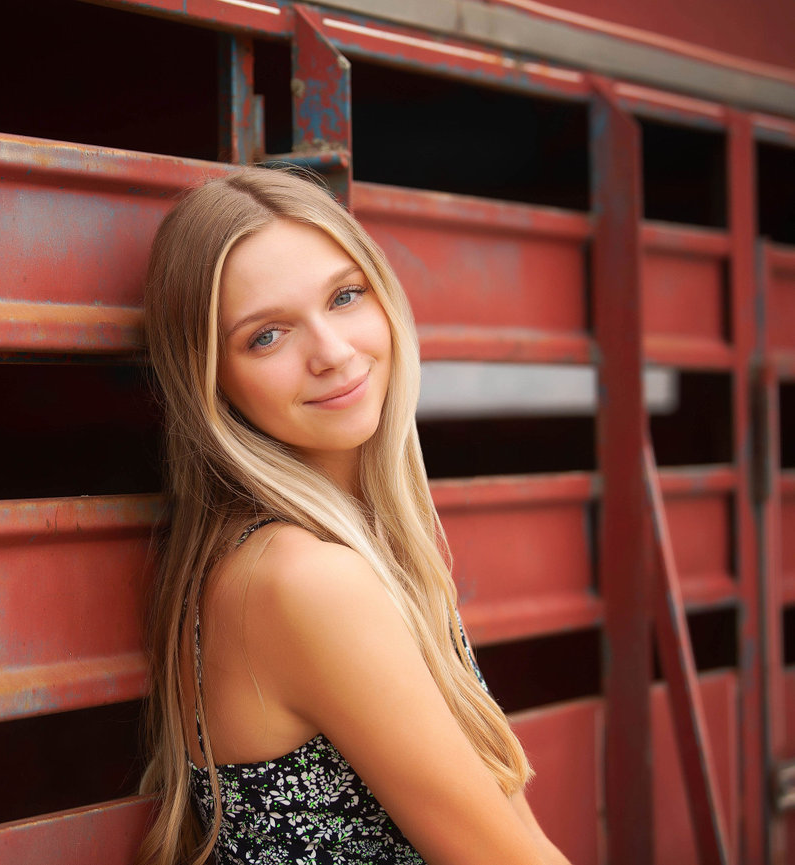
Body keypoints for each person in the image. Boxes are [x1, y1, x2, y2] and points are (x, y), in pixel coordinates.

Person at [135, 167, 571, 865]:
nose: (334, 353)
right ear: (212, 381)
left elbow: (522, 836)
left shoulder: (354, 553)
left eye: (344, 296)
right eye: (267, 336)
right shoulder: (303, 579)